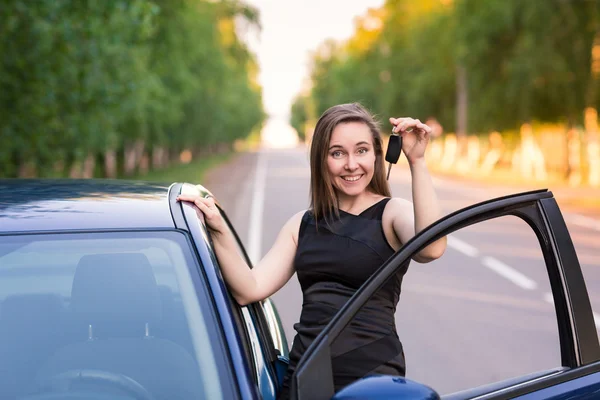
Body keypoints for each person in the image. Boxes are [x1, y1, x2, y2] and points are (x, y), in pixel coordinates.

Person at [176, 102, 447, 398]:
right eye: (337, 153)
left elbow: (431, 247)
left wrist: (418, 162)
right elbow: (249, 288)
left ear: (376, 156)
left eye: (361, 150)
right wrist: (218, 226)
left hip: (374, 384)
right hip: (307, 380)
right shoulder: (302, 225)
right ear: (321, 159)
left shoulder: (391, 214)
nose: (351, 164)